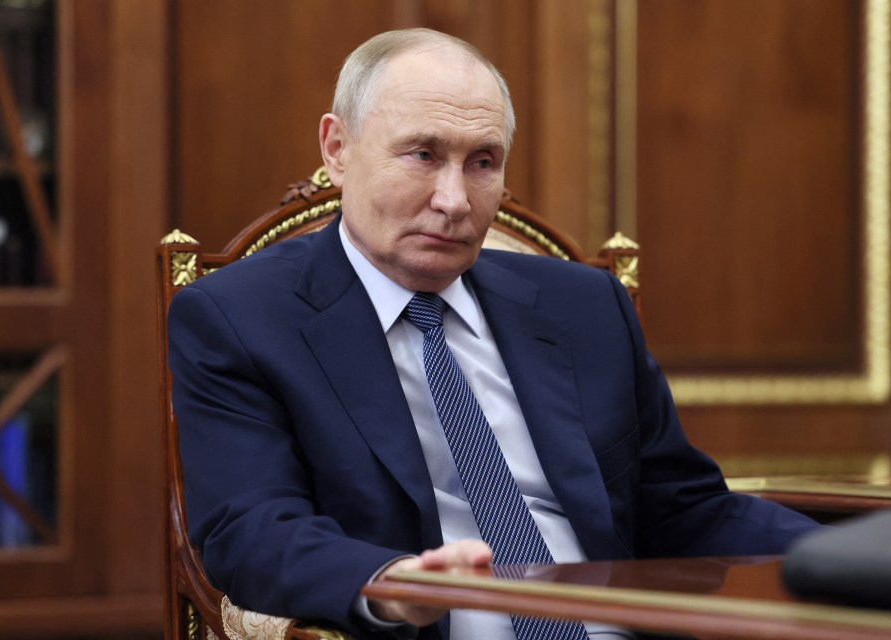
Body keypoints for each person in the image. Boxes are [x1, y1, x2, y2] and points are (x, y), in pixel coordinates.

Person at [168, 27, 819, 640]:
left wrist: (871, 559)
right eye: (422, 155)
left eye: (482, 162)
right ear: (338, 150)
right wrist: (388, 584)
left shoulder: (585, 306)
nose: (455, 200)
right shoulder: (239, 318)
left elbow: (684, 509)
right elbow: (251, 530)